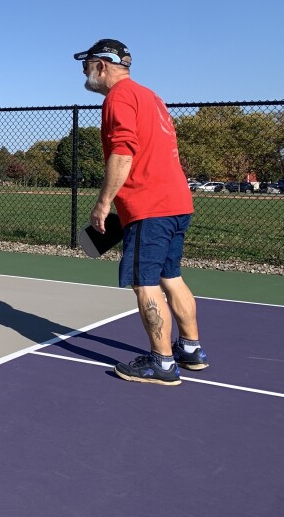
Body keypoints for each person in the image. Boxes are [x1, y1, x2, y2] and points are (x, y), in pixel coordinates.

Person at [73, 39, 209, 385]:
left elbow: (123, 151)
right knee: (171, 276)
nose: (84, 72)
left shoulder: (117, 98)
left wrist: (103, 203)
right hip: (177, 203)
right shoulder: (151, 97)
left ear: (101, 65)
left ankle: (162, 364)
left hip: (149, 208)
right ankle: (191, 350)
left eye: (85, 65)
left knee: (144, 284)